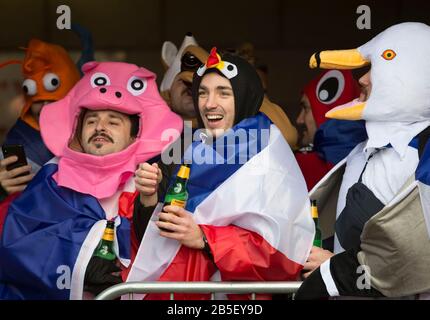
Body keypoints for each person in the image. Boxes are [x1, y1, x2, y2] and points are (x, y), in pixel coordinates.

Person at [126, 48, 315, 300]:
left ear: (245, 96)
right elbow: (158, 238)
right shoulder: (193, 149)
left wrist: (205, 238)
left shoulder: (268, 152)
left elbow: (283, 251)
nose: (209, 103)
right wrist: (148, 198)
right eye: (202, 93)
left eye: (223, 93)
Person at [0, 61, 183, 300]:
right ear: (77, 132)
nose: (100, 127)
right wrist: (85, 260)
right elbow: (16, 245)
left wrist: (149, 202)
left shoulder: (151, 179)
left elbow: (168, 248)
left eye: (113, 121)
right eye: (91, 120)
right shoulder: (51, 179)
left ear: (133, 135)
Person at [296, 22, 430, 299]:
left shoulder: (423, 154)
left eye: (380, 65)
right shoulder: (360, 151)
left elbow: (417, 255)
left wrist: (336, 272)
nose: (363, 79)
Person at [0, 39, 80, 203]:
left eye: (53, 101)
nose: (45, 106)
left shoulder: (95, 138)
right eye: (38, 101)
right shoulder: (16, 144)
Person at [295, 70, 367, 190]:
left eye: (306, 108)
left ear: (325, 112)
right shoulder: (374, 160)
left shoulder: (300, 167)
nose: (299, 120)